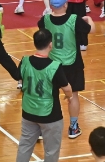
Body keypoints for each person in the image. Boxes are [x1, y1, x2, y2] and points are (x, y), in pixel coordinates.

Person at [37, 0, 93, 139]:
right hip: (72, 64)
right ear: (65, 5)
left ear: (52, 5)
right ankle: (73, 128)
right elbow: (91, 30)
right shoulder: (74, 19)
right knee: (73, 96)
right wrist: (89, 19)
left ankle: (42, 129)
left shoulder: (45, 20)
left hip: (52, 64)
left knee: (49, 96)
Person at [16, 29, 73, 162]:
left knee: (24, 146)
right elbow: (67, 88)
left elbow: (19, 78)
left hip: (28, 111)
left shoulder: (24, 61)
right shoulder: (54, 66)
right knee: (51, 151)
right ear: (50, 44)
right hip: (50, 115)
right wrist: (69, 96)